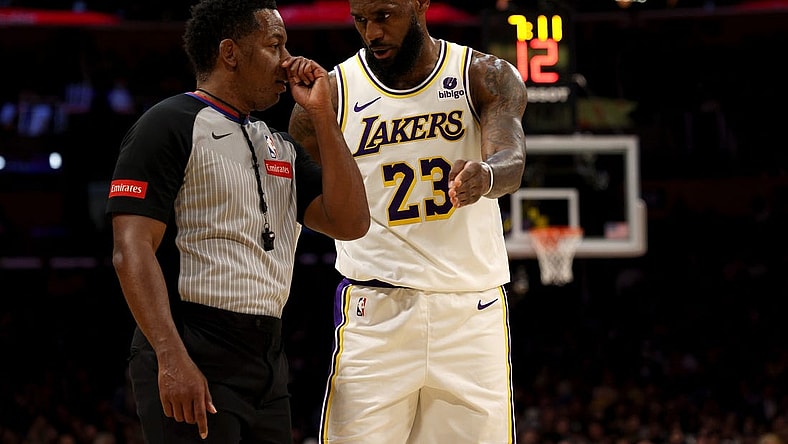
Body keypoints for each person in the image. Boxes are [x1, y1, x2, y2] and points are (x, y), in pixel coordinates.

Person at [105, 0, 370, 442]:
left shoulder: (280, 145)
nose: (288, 62)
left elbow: (352, 222)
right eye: (274, 45)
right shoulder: (167, 124)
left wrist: (323, 117)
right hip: (193, 345)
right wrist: (171, 358)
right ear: (230, 53)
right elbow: (129, 251)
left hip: (268, 358)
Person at [287, 0, 527, 442]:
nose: (372, 32)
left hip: (470, 313)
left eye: (384, 15)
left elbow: (512, 158)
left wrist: (486, 175)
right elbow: (300, 198)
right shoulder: (331, 95)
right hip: (375, 311)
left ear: (420, 5)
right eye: (361, 19)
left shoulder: (483, 75)